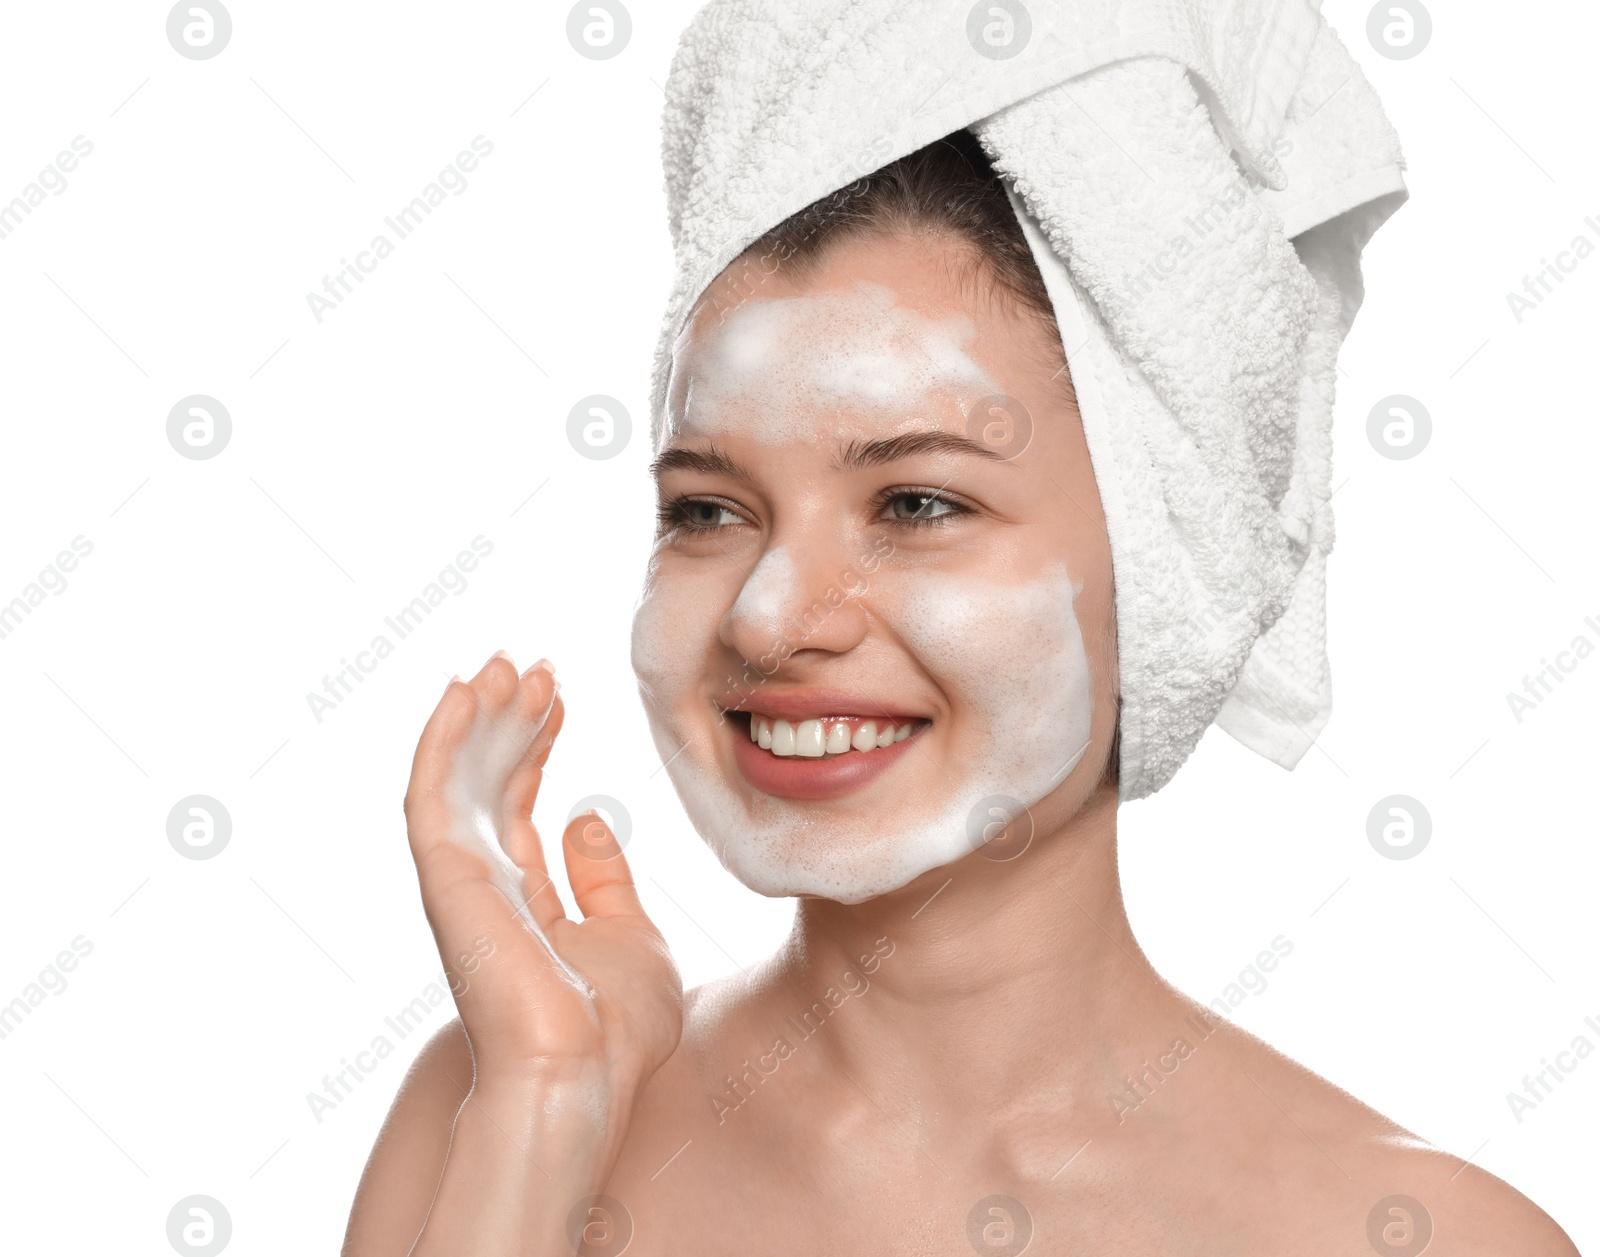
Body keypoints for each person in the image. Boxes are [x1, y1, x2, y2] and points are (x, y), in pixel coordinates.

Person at [343, 134, 1578, 1255]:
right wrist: (540, 1120)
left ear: (1170, 562)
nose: (766, 618)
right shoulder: (496, 1105)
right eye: (708, 510)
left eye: (917, 503)